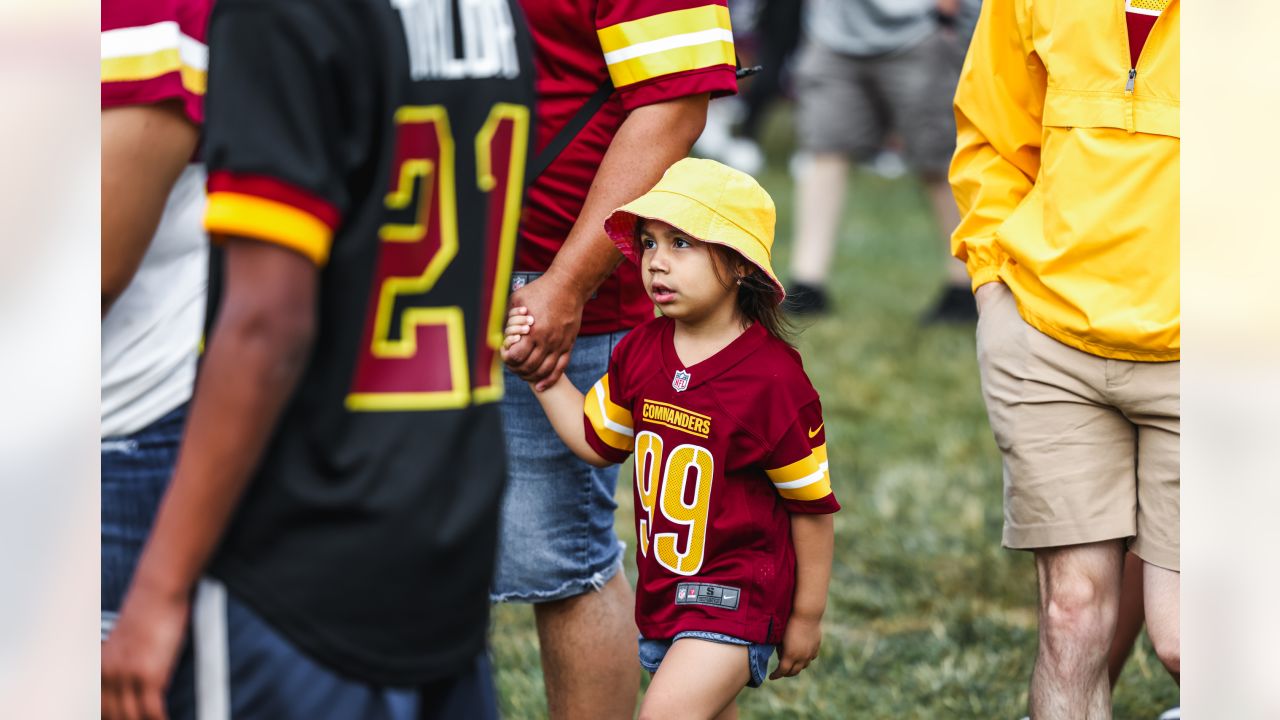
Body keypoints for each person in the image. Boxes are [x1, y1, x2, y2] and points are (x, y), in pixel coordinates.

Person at [100, 0, 535, 717]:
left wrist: (159, 588)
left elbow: (268, 322)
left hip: (303, 542)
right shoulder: (494, 12)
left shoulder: (281, 14)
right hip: (447, 515)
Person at [503, 158, 840, 720]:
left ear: (738, 266)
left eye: (681, 242)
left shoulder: (774, 380)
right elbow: (597, 438)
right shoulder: (640, 349)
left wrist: (806, 615)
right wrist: (544, 377)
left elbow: (811, 507)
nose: (657, 261)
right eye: (650, 242)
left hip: (735, 598)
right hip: (663, 595)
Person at [495, 3, 738, 716]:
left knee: (561, 560)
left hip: (548, 278)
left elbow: (674, 102)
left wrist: (568, 281)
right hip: (413, 278)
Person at [951, 0, 1180, 717]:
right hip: (1049, 339)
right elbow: (992, 134)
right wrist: (993, 291)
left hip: (1219, 352)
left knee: (1190, 640)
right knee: (1071, 617)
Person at [785, 0, 972, 321]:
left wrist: (946, 13)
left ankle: (964, 285)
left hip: (921, 31)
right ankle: (807, 285)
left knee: (939, 162)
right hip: (832, 35)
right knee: (825, 151)